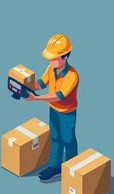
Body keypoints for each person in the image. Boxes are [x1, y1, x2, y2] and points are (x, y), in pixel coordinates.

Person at [24, 34, 79, 181]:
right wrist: (25, 84)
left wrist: (35, 98)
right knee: (55, 138)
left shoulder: (72, 75)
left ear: (64, 57)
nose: (50, 60)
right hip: (53, 110)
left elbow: (59, 95)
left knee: (68, 140)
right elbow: (41, 84)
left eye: (53, 57)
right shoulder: (51, 69)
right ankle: (54, 167)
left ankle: (73, 168)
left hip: (67, 113)